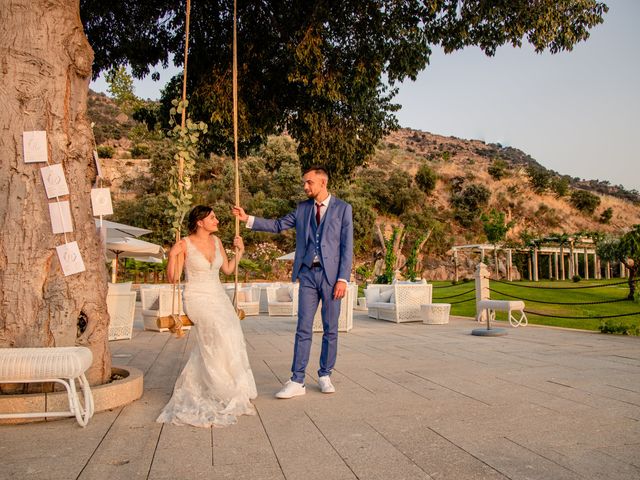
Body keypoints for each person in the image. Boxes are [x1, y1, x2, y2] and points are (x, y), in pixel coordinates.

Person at [233, 165, 353, 399]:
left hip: (331, 278)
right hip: (308, 274)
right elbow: (278, 225)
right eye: (304, 183)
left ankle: (325, 374)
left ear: (322, 183)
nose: (305, 186)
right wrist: (248, 219)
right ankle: (297, 380)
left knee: (330, 329)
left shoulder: (343, 209)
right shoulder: (302, 209)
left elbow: (346, 246)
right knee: (303, 327)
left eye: (309, 182)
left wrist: (342, 279)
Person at [156, 205, 257, 427]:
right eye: (212, 218)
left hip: (218, 296)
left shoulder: (217, 242)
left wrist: (239, 251)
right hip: (197, 297)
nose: (217, 220)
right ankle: (218, 386)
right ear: (200, 222)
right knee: (218, 331)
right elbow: (173, 278)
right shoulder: (185, 244)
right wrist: (172, 255)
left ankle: (227, 384)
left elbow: (229, 270)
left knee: (231, 333)